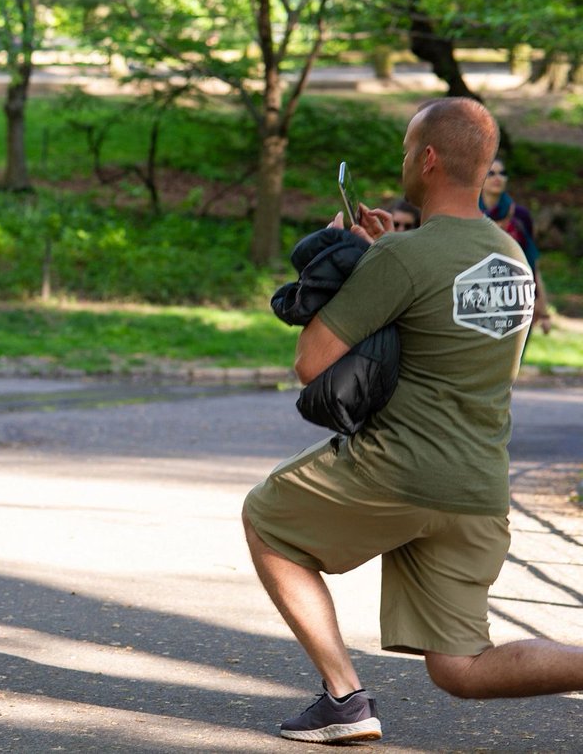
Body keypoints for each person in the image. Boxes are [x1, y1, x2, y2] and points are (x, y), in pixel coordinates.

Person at [242, 97, 583, 745]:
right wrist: (387, 254)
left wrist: (352, 266)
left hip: (400, 469)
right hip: (478, 488)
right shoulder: (509, 259)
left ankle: (344, 698)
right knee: (462, 667)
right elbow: (442, 308)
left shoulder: (400, 260)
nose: (402, 161)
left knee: (266, 518)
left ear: (427, 159)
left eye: (405, 150)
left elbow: (312, 363)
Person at [480, 157, 551, 332]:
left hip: (517, 295)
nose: (498, 177)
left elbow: (531, 261)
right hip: (480, 295)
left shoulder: (520, 215)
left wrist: (542, 308)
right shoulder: (471, 213)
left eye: (502, 173)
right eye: (491, 173)